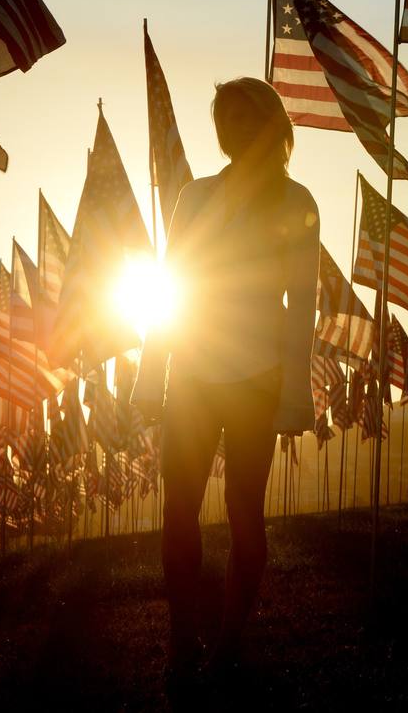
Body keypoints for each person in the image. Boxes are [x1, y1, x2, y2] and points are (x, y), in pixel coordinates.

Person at [130, 77, 320, 682]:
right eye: (224, 119)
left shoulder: (296, 203)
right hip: (191, 370)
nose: (232, 129)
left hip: (258, 379)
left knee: (244, 509)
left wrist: (297, 393)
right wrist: (148, 372)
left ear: (271, 124)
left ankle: (228, 640)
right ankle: (184, 633)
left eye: (244, 117)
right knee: (178, 508)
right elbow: (172, 282)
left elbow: (304, 304)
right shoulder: (195, 197)